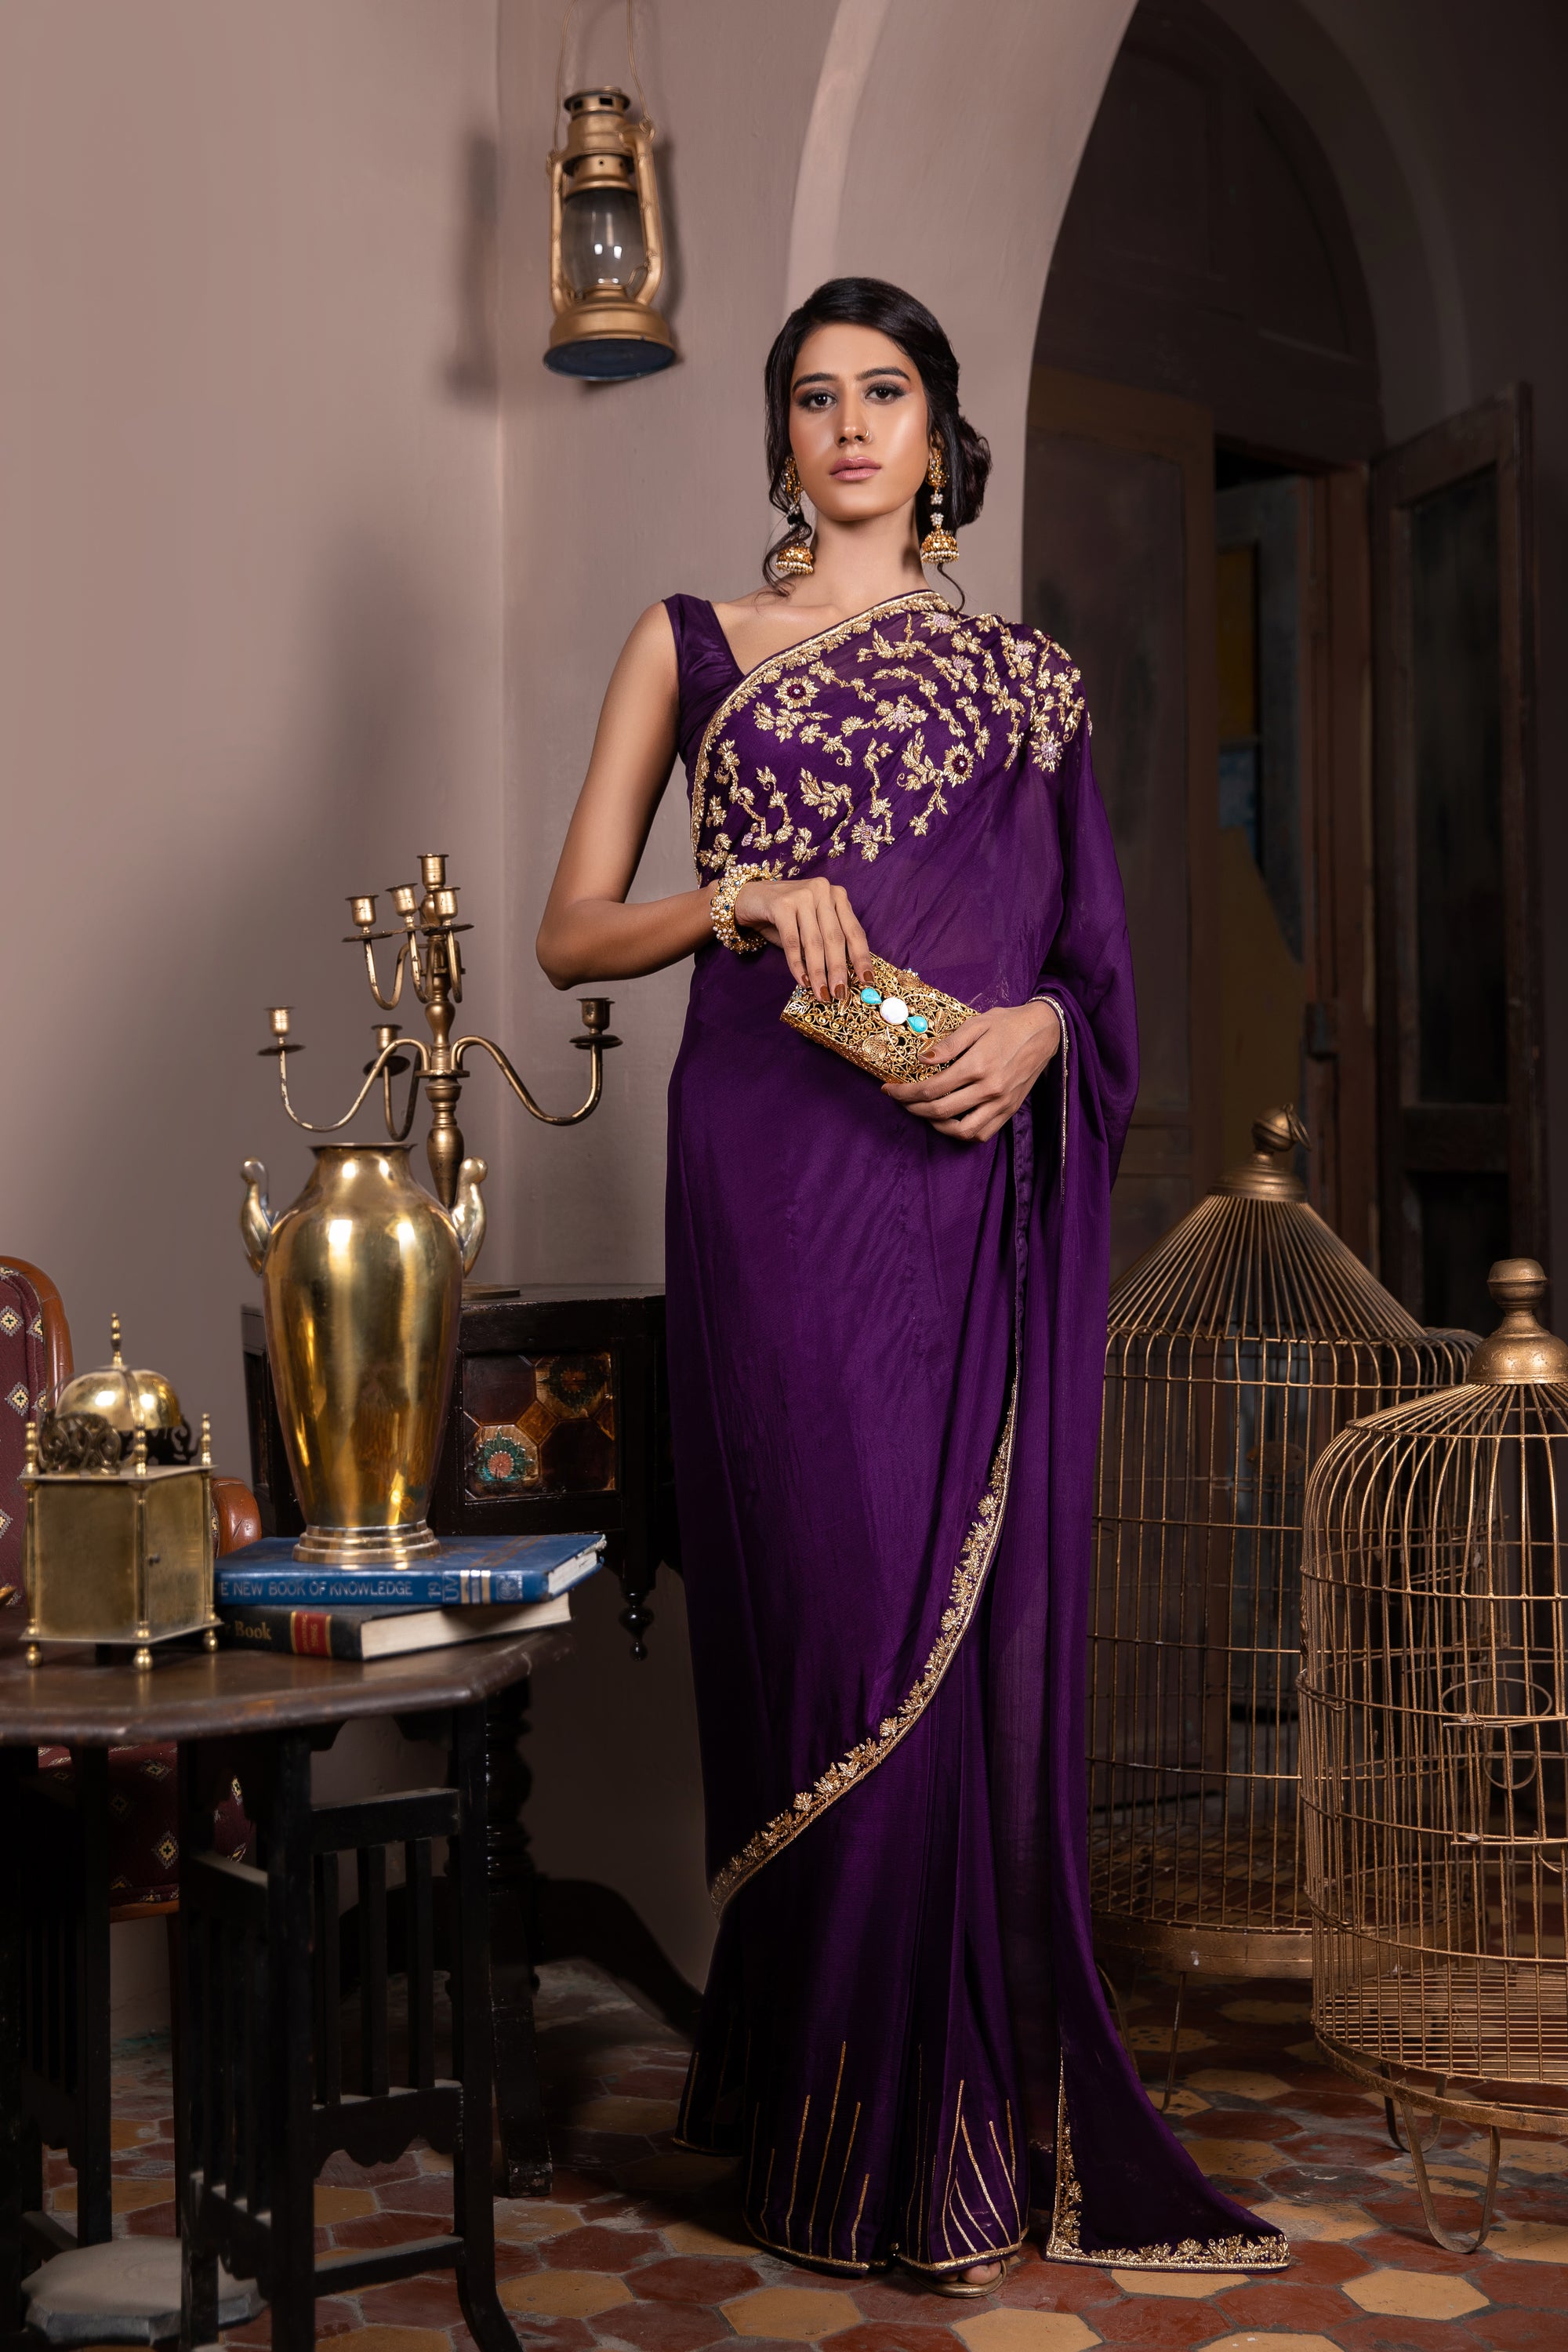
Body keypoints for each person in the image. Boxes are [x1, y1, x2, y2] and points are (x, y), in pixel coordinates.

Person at [536, 277, 1285, 2292]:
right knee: (834, 1614)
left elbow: (1088, 975)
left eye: (885, 394)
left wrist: (1038, 1032)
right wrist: (737, 895)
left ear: (942, 435)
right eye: (814, 397)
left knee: (946, 1629)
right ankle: (823, 2127)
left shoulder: (1028, 684)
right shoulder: (694, 644)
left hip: (961, 1170)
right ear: (779, 436)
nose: (850, 426)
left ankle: (924, 2147)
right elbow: (569, 931)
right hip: (773, 1177)